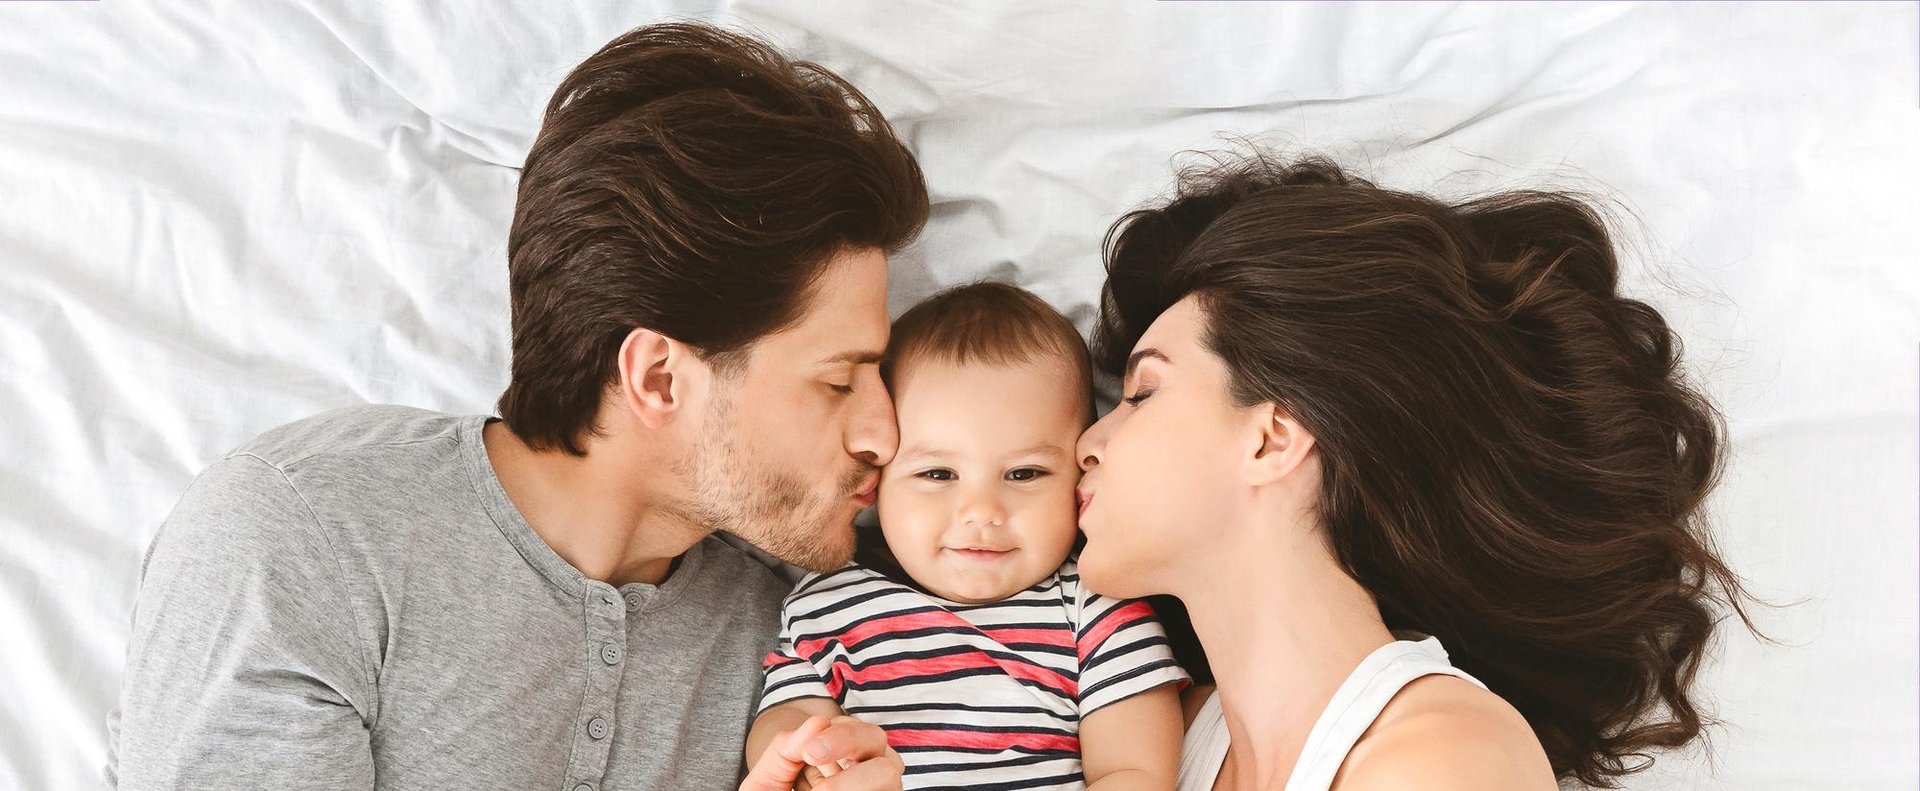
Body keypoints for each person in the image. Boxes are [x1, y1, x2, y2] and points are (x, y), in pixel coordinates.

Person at [107, 23, 929, 791]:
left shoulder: (813, 636)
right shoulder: (303, 537)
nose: (886, 432)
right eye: (838, 380)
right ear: (659, 378)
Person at [1072, 154, 1755, 790]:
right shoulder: (1160, 741)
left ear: (1272, 438)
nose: (1087, 442)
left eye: (1141, 393)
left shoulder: (1445, 759)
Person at [746, 283, 1190, 790]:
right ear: (878, 481)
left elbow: (1136, 773)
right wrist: (810, 753)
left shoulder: (1097, 606)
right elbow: (785, 720)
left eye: (1025, 474)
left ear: (1080, 477)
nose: (982, 512)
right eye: (938, 474)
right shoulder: (827, 603)